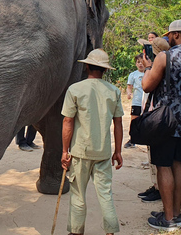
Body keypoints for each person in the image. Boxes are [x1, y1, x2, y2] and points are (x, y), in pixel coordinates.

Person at [141, 20, 181, 231]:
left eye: (169, 35)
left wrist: (149, 68)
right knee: (178, 164)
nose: (167, 38)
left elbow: (147, 86)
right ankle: (176, 214)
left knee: (163, 165)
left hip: (166, 120)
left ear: (176, 35)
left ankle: (168, 219)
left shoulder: (165, 57)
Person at [61, 49, 124, 235]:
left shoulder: (75, 89)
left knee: (78, 195)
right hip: (103, 152)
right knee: (105, 194)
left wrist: (65, 151)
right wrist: (118, 151)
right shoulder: (114, 91)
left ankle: (76, 231)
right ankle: (110, 232)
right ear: (105, 70)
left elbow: (68, 121)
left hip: (80, 152)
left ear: (87, 66)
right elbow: (118, 123)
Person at [135, 37, 170, 203]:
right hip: (153, 115)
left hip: (156, 117)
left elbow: (146, 86)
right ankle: (155, 186)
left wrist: (149, 67)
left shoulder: (157, 68)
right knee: (153, 158)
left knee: (158, 159)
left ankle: (159, 189)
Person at [124, 54, 145, 149]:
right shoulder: (133, 75)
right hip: (137, 101)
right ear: (136, 63)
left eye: (142, 62)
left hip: (147, 101)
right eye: (138, 62)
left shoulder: (150, 73)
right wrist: (129, 93)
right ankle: (132, 139)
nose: (140, 64)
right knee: (134, 120)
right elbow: (129, 87)